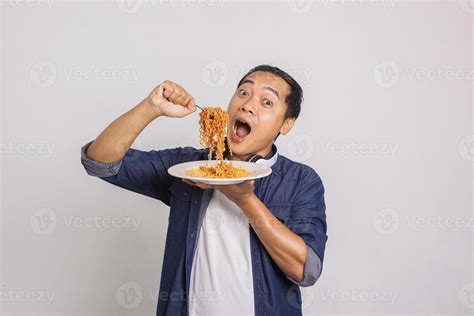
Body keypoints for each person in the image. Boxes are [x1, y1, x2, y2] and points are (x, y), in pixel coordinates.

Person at [80, 65, 327, 316]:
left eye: (266, 102)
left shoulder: (301, 181)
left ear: (286, 124)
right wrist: (150, 108)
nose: (248, 105)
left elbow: (305, 270)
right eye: (243, 92)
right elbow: (99, 163)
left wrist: (245, 199)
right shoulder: (189, 166)